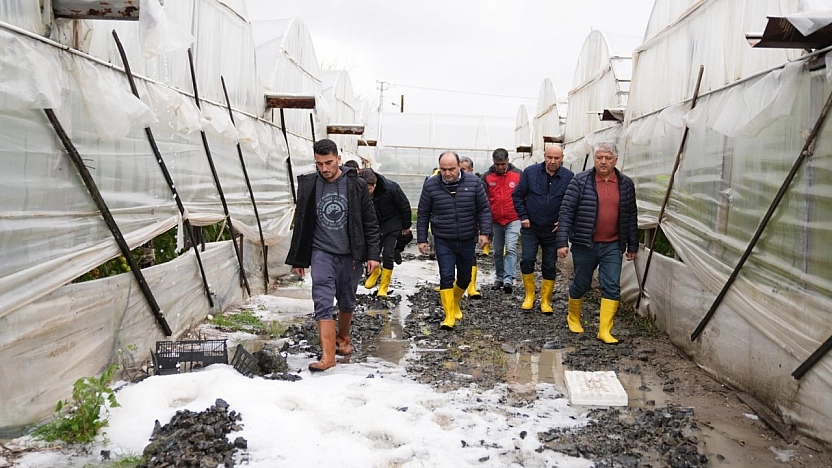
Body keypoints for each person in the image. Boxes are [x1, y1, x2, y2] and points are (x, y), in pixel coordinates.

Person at [285, 139, 381, 371]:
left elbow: (369, 221)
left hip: (350, 254)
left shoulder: (355, 184)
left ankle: (343, 337)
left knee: (347, 299)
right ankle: (327, 357)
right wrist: (299, 258)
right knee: (322, 300)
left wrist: (373, 254)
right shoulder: (310, 185)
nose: (325, 169)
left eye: (329, 163)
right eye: (319, 164)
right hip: (322, 252)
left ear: (338, 159)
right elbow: (302, 222)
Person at [557, 142, 638, 343]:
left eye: (608, 158)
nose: (603, 161)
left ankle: (605, 330)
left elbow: (631, 215)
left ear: (616, 160)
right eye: (599, 157)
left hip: (613, 243)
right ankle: (573, 317)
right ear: (594, 159)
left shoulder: (625, 184)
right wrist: (562, 242)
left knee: (611, 285)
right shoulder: (580, 181)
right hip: (586, 243)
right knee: (582, 283)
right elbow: (566, 212)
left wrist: (632, 245)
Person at [417, 151, 491, 330]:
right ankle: (449, 315)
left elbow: (484, 209)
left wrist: (485, 232)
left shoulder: (474, 183)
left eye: (451, 169)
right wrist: (422, 239)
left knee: (465, 278)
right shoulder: (431, 185)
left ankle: (455, 303)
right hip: (443, 238)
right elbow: (423, 213)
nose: (448, 173)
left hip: (467, 237)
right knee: (447, 275)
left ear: (460, 167)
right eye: (443, 169)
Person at [512, 144, 574, 313]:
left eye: (556, 158)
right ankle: (529, 296)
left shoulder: (569, 177)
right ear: (544, 156)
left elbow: (573, 202)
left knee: (549, 264)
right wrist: (523, 216)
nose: (552, 161)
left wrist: (563, 222)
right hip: (531, 227)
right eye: (549, 157)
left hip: (553, 231)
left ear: (562, 158)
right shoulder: (530, 172)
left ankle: (545, 301)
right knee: (527, 259)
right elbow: (517, 195)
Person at [359, 168, 412, 296]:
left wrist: (406, 226)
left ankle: (384, 287)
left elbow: (404, 205)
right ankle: (375, 272)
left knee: (388, 253)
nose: (366, 193)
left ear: (375, 184)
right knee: (372, 250)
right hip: (375, 223)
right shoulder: (359, 190)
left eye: (369, 190)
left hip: (392, 222)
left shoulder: (391, 188)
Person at [482, 148, 522, 293]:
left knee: (511, 248)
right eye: (497, 164)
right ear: (493, 162)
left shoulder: (518, 175)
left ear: (508, 161)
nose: (500, 167)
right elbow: (484, 200)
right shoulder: (487, 177)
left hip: (513, 217)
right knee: (498, 250)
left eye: (503, 164)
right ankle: (499, 277)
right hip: (495, 219)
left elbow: (523, 195)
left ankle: (508, 279)